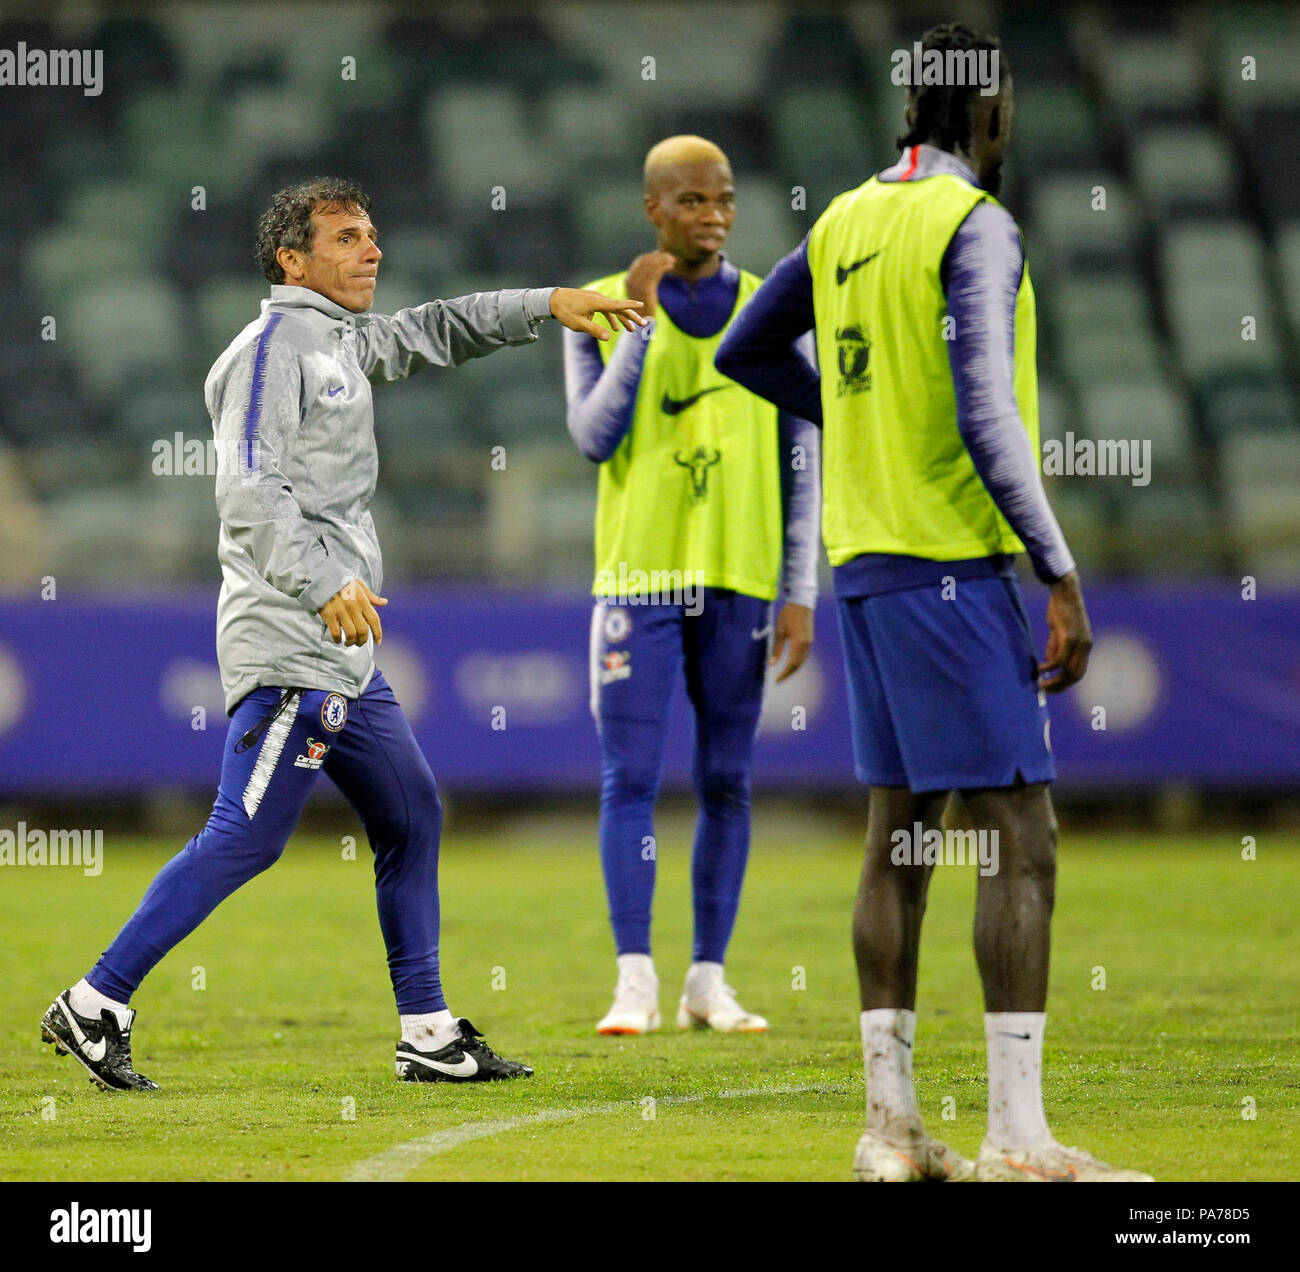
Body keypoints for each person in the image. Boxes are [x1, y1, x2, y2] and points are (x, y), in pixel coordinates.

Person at [41, 176, 644, 1091]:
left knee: (410, 817)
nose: (372, 251)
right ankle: (96, 1002)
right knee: (245, 835)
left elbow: (436, 327)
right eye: (349, 237)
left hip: (344, 655)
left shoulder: (339, 339)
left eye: (373, 234)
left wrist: (547, 304)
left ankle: (429, 1034)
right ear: (294, 260)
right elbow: (247, 489)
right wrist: (325, 582)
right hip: (292, 637)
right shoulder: (272, 348)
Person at [716, 26, 1151, 1180]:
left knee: (898, 839)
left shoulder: (844, 218)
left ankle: (892, 1129)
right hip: (951, 561)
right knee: (1022, 836)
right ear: (986, 110)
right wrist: (1056, 571)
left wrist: (849, 422)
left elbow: (745, 352)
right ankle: (1017, 1138)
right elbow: (986, 416)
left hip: (862, 563)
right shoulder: (976, 225)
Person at [564, 136, 820, 1036]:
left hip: (743, 577)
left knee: (728, 778)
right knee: (629, 777)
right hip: (639, 578)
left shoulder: (771, 307)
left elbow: (803, 454)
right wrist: (637, 327)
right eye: (690, 201)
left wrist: (800, 589)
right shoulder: (601, 305)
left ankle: (708, 980)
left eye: (723, 198)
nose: (711, 214)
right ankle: (634, 977)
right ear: (652, 211)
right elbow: (593, 437)